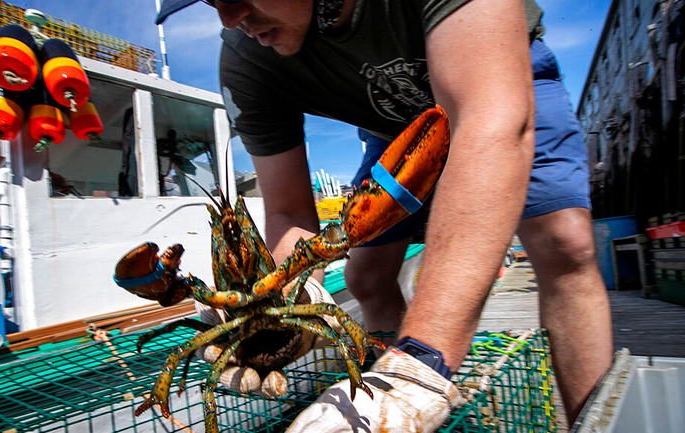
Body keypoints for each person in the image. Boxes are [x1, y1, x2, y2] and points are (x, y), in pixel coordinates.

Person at [157, 0, 613, 430]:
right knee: (366, 278)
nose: (230, 16)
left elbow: (491, 120)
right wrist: (290, 296)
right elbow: (288, 209)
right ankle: (383, 406)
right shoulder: (245, 60)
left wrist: (422, 360)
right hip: (394, 129)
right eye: (209, 1)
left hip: (497, 77)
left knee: (566, 242)